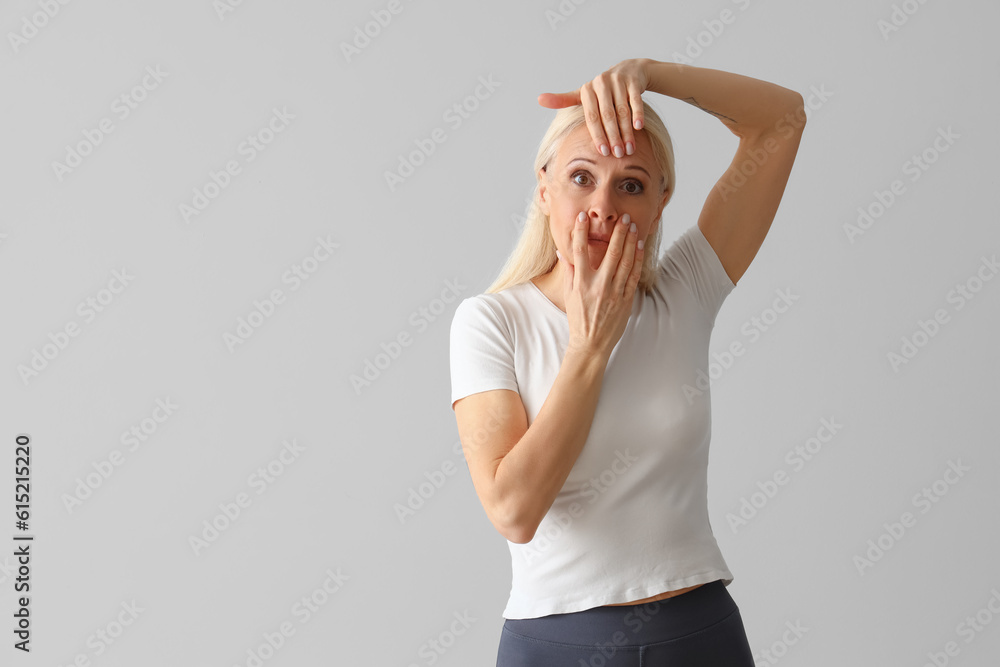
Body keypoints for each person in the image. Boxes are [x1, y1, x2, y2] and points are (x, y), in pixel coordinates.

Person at [449, 57, 805, 666]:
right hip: (557, 645)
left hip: (699, 636)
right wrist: (589, 348)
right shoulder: (491, 322)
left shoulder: (686, 291)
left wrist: (650, 74)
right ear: (543, 187)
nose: (602, 206)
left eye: (631, 184)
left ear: (661, 201)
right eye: (581, 176)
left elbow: (781, 121)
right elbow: (514, 510)